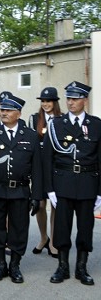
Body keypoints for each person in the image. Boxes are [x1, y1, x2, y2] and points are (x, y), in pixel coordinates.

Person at [0, 94, 42, 283]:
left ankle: (15, 265)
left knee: (19, 229)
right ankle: (0, 265)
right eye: (2, 109)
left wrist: (36, 196)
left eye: (8, 110)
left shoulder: (30, 136)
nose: (3, 113)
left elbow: (37, 168)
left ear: (18, 113)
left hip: (20, 190)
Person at [44, 81, 101, 285]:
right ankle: (62, 267)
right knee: (61, 229)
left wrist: (100, 192)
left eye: (75, 98)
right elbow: (47, 159)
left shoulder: (96, 125)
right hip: (63, 184)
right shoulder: (56, 124)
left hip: (87, 184)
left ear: (85, 100)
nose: (70, 102)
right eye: (68, 98)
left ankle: (81, 268)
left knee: (85, 229)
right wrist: (49, 188)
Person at [28, 87, 62, 258]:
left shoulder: (62, 120)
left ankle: (55, 242)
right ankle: (44, 238)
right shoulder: (34, 119)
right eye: (43, 101)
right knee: (40, 205)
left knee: (56, 205)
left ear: (55, 102)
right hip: (39, 168)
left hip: (57, 168)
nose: (45, 104)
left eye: (48, 101)